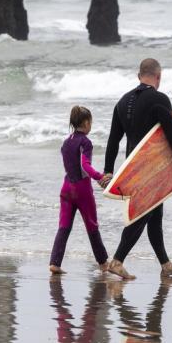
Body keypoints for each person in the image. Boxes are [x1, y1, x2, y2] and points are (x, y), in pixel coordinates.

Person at [103, 58, 172, 280]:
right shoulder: (159, 99)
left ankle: (165, 263)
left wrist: (109, 170)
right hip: (153, 169)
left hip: (132, 166)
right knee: (144, 215)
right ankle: (117, 260)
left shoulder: (122, 101)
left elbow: (113, 140)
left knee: (155, 214)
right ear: (159, 76)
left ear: (139, 76)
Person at [49, 106, 112, 275]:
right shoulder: (85, 142)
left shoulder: (66, 142)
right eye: (91, 122)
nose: (91, 125)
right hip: (82, 190)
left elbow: (71, 165)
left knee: (64, 226)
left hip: (66, 188)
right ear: (85, 123)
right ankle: (103, 263)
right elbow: (85, 166)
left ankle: (55, 263)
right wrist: (99, 177)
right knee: (92, 226)